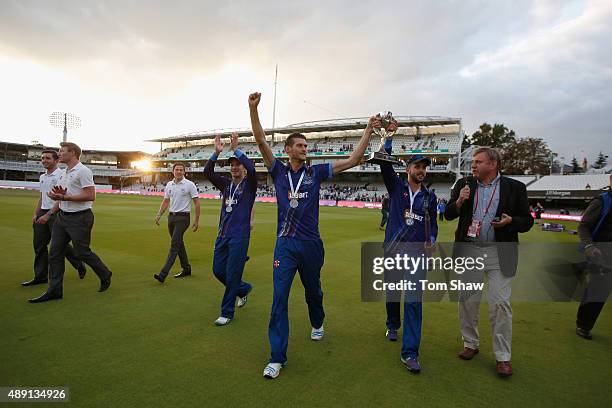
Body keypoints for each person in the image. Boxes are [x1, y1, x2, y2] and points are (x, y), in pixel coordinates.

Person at [249, 91, 376, 379]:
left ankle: (317, 322)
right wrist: (253, 109)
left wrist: (368, 130)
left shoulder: (316, 173)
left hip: (310, 245)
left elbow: (354, 160)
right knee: (279, 299)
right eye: (301, 145)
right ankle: (277, 357)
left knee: (313, 291)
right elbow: (259, 141)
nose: (306, 148)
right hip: (285, 244)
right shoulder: (279, 172)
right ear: (288, 150)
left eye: (306, 145)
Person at [444, 147, 533, 377]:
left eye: (478, 161)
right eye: (472, 161)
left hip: (499, 253)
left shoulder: (515, 188)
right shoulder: (465, 183)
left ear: (493, 164)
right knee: (467, 302)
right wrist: (460, 202)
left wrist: (511, 220)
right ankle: (470, 343)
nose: (473, 165)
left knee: (500, 304)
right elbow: (448, 213)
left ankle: (503, 357)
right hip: (470, 250)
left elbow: (527, 221)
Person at [29, 142, 113, 303]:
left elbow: (90, 195)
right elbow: (61, 197)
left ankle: (104, 273)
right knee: (55, 254)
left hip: (80, 217)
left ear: (72, 153)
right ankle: (54, 291)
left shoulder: (83, 171)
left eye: (61, 151)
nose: (59, 154)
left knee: (82, 252)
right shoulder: (64, 173)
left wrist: (65, 198)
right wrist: (49, 213)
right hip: (62, 217)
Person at [381, 153, 438, 374]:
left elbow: (432, 224)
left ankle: (410, 353)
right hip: (393, 250)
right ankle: (393, 324)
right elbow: (385, 168)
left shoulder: (430, 197)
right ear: (408, 169)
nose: (421, 170)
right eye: (417, 166)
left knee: (414, 301)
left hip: (417, 253)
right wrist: (387, 142)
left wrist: (431, 239)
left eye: (424, 167)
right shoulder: (396, 187)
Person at [203, 133, 256, 326]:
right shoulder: (225, 184)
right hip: (222, 235)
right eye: (232, 165)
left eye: (237, 165)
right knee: (218, 270)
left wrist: (236, 149)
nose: (234, 167)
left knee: (232, 273)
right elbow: (207, 172)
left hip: (240, 237)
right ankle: (243, 289)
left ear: (243, 168)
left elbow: (251, 167)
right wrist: (216, 153)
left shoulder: (250, 185)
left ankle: (227, 312)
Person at [22, 149, 85, 287]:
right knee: (39, 246)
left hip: (55, 213)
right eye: (43, 158)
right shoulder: (42, 177)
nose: (44, 160)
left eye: (48, 158)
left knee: (60, 245)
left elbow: (61, 199)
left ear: (56, 160)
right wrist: (36, 213)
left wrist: (48, 214)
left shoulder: (62, 175)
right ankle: (40, 276)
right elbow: (42, 197)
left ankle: (78, 263)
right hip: (42, 212)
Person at [575, 175, 611, 340]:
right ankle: (584, 325)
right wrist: (589, 245)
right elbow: (584, 226)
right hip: (601, 253)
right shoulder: (602, 201)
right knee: (598, 291)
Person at [153, 163, 200, 283]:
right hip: (171, 218)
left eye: (181, 170)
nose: (179, 172)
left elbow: (197, 203)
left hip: (183, 218)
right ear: (172, 171)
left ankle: (163, 274)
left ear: (184, 172)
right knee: (179, 244)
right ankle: (187, 269)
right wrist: (159, 215)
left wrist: (196, 220)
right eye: (176, 170)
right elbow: (165, 201)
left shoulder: (190, 185)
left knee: (174, 245)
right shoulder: (169, 184)